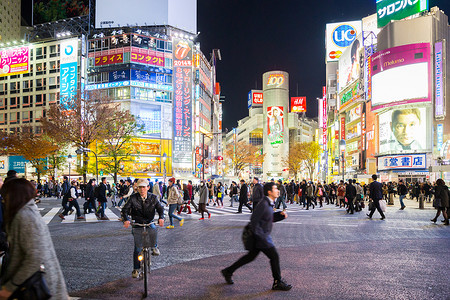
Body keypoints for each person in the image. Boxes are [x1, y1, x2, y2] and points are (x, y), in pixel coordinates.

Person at [0, 178, 69, 299]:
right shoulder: (28, 210)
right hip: (44, 282)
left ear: (13, 196)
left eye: (5, 196)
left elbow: (34, 258)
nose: (4, 200)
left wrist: (10, 287)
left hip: (38, 288)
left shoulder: (24, 216)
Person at [221, 182, 292, 291]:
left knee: (250, 257)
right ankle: (277, 282)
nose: (278, 191)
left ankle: (228, 271)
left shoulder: (269, 203)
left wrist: (280, 215)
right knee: (274, 256)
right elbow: (254, 221)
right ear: (269, 192)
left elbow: (268, 218)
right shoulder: (263, 204)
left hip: (260, 236)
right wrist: (262, 237)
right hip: (261, 237)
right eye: (275, 189)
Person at [121, 178, 165, 278]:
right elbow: (125, 210)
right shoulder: (133, 198)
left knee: (153, 229)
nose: (142, 189)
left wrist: (161, 218)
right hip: (137, 223)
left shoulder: (153, 197)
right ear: (137, 188)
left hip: (149, 222)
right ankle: (136, 269)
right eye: (140, 187)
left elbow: (160, 209)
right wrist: (126, 219)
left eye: (144, 187)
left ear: (148, 187)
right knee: (137, 248)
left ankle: (154, 247)